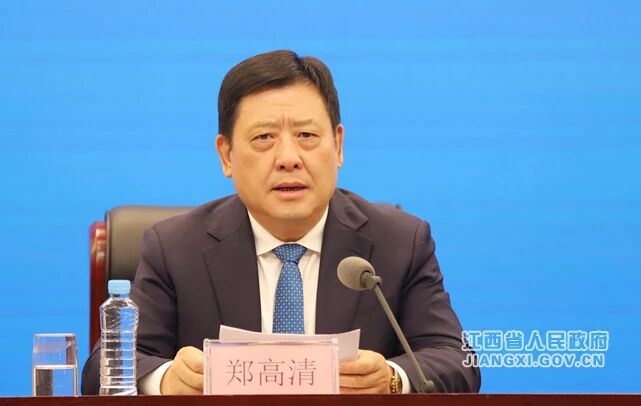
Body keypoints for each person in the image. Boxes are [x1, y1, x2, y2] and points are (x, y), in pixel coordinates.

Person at [81, 49, 480, 395]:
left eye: (307, 135)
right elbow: (103, 366)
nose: (289, 158)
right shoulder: (175, 247)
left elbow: (456, 360)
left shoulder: (400, 242)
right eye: (264, 139)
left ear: (338, 146)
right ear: (226, 156)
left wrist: (392, 378)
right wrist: (167, 378)